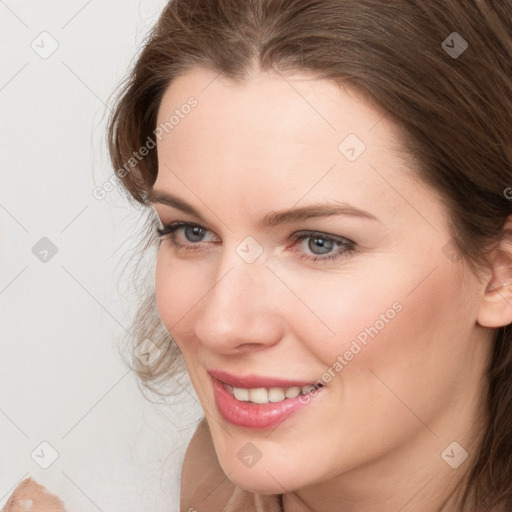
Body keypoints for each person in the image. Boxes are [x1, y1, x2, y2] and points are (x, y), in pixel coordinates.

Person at [7, 1, 511, 511]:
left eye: (320, 243)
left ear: (499, 272)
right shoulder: (93, 494)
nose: (220, 326)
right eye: (191, 232)